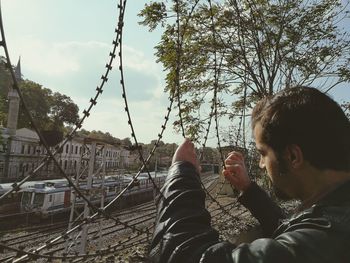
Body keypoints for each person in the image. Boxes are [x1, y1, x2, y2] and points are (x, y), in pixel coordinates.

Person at [148, 86, 350, 262]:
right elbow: (293, 234)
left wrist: (182, 172)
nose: (261, 164)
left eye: (263, 153)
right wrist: (249, 189)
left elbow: (185, 255)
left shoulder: (329, 238)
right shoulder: (333, 215)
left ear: (293, 156)